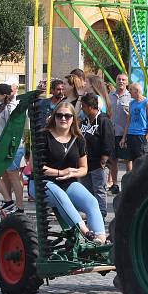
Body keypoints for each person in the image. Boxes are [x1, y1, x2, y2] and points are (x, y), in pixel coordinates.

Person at [42, 102, 106, 244]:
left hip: (68, 182)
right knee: (61, 196)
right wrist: (60, 172)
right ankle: (87, 234)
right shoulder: (44, 137)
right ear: (54, 117)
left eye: (67, 116)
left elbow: (84, 169)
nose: (63, 118)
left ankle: (101, 241)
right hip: (43, 183)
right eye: (59, 115)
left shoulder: (78, 139)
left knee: (92, 202)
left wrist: (72, 173)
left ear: (73, 118)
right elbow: (36, 168)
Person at [0, 83, 25, 215]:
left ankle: (19, 207)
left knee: (14, 177)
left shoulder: (11, 108)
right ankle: (9, 201)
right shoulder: (3, 106)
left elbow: (13, 128)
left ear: (4, 95)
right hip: (5, 145)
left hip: (12, 147)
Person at [79, 93, 114, 218]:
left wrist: (104, 158)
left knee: (99, 189)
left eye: (83, 106)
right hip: (85, 163)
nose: (81, 109)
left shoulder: (104, 121)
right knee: (88, 191)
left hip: (98, 163)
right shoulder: (85, 121)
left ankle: (101, 214)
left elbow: (108, 140)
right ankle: (91, 213)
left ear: (90, 107)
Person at [121, 83, 148, 166]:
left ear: (136, 91)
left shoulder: (147, 103)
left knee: (142, 160)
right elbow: (128, 121)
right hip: (131, 134)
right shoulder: (131, 103)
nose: (129, 92)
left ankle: (144, 178)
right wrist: (124, 137)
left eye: (131, 90)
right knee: (132, 160)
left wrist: (147, 136)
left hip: (141, 135)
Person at [108, 73, 131, 194]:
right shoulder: (110, 95)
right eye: (119, 79)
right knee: (113, 160)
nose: (121, 81)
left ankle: (129, 183)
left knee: (128, 159)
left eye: (123, 80)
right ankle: (115, 184)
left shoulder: (131, 96)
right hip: (112, 133)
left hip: (125, 134)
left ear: (127, 82)